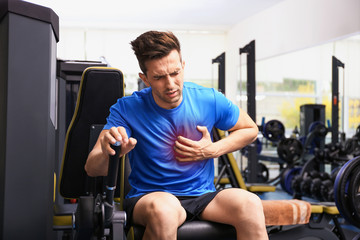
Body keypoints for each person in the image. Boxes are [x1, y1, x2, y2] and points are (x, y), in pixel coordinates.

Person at [85, 30, 268, 240]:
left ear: (183, 65)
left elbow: (250, 129)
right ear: (145, 78)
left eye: (175, 73)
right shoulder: (127, 109)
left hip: (204, 196)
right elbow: (92, 168)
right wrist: (112, 153)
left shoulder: (208, 99)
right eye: (159, 77)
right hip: (151, 197)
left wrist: (213, 149)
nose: (171, 84)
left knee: (251, 204)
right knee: (165, 211)